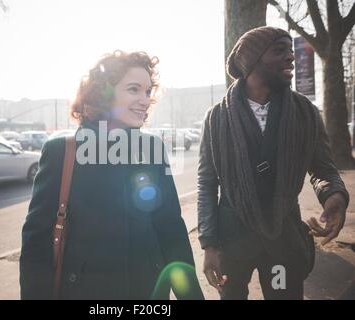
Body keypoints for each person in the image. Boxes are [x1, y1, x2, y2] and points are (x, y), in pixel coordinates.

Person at [20, 50, 204, 300]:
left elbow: (170, 227)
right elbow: (36, 240)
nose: (145, 99)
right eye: (133, 89)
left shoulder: (152, 148)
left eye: (148, 91)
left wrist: (191, 296)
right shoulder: (61, 151)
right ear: (103, 94)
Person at [197, 26, 349, 300]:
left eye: (291, 51)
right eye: (279, 51)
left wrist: (334, 196)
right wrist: (209, 245)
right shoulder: (217, 118)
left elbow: (323, 169)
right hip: (232, 242)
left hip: (283, 239)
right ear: (252, 61)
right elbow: (207, 184)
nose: (291, 58)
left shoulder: (305, 113)